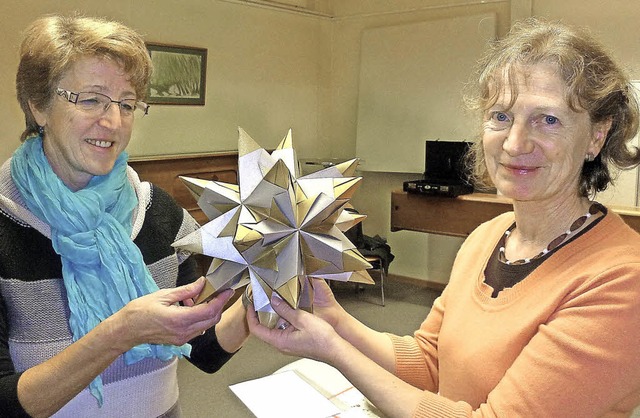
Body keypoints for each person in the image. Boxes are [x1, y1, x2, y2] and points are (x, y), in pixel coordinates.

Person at [248, 17, 640, 417]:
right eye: (501, 116)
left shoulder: (624, 280)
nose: (516, 142)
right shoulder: (488, 236)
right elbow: (430, 361)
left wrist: (333, 352)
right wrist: (336, 322)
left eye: (549, 119)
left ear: (597, 135)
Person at [0, 14, 249, 417]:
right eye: (91, 99)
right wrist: (120, 332)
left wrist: (257, 307)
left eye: (127, 103)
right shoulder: (4, 224)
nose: (113, 122)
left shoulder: (159, 213)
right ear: (38, 106)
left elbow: (200, 348)